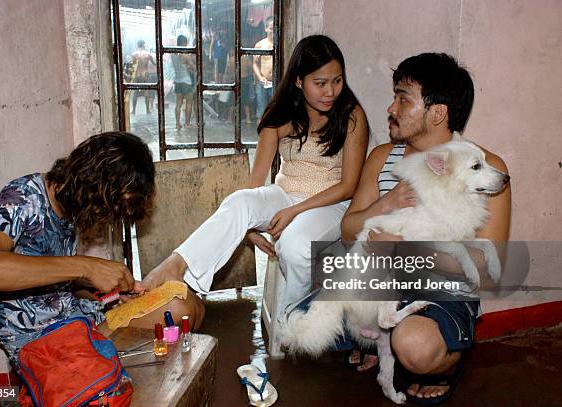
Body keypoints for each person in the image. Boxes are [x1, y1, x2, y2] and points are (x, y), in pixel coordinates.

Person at [138, 35, 369, 325]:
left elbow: (348, 185)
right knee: (239, 202)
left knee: (294, 243)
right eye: (320, 83)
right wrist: (247, 228)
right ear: (299, 81)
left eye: (337, 80)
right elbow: (255, 185)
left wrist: (294, 211)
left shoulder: (351, 116)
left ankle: (291, 323)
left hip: (333, 204)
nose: (331, 91)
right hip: (286, 195)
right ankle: (176, 265)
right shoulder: (280, 117)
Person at [340, 53, 511, 404]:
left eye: (403, 98)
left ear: (437, 113)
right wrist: (382, 206)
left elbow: (484, 270)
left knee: (415, 348)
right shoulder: (383, 158)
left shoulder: (487, 171)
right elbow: (347, 230)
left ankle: (443, 361)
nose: (391, 107)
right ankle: (382, 339)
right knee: (307, 313)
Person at [0, 132, 203, 366]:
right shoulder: (24, 197)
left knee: (189, 303)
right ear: (96, 186)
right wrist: (86, 266)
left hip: (77, 318)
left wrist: (109, 294)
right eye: (108, 209)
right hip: (44, 342)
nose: (104, 219)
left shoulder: (69, 207)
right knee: (179, 309)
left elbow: (57, 281)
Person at [172, 35, 196, 130]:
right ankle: (187, 123)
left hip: (177, 81)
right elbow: (193, 68)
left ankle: (177, 124)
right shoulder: (186, 55)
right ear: (184, 42)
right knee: (189, 102)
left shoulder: (173, 55)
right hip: (186, 81)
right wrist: (191, 66)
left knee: (178, 104)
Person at [253, 16, 274, 120]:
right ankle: (261, 136)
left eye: (276, 29)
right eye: (271, 28)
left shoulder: (281, 45)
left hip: (278, 82)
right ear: (266, 29)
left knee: (276, 111)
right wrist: (260, 77)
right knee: (261, 112)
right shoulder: (260, 45)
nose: (273, 31)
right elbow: (255, 64)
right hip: (263, 83)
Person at [130, 40, 156, 115]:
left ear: (138, 45)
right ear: (144, 45)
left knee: (135, 92)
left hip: (138, 74)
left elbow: (132, 65)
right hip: (145, 75)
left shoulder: (134, 54)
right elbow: (154, 64)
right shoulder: (148, 54)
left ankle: (134, 110)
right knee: (146, 92)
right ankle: (147, 110)